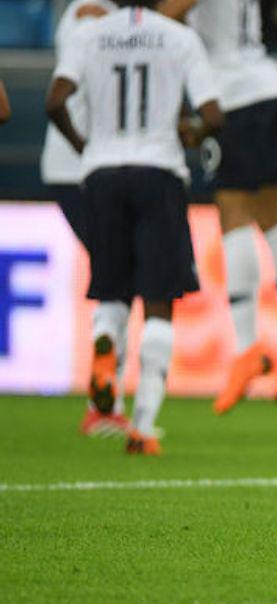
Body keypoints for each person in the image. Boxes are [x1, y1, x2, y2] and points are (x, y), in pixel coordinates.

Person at [46, 0, 223, 455]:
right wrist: (194, 133)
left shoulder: (90, 34)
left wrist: (84, 147)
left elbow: (56, 101)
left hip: (102, 173)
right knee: (159, 303)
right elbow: (213, 114)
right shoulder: (179, 37)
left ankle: (105, 345)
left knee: (112, 292)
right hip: (158, 172)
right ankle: (142, 426)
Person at [159, 0, 277, 415]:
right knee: (272, 217)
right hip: (268, 85)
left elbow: (167, 15)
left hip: (231, 95)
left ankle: (247, 348)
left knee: (234, 216)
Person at [41, 0, 131, 438]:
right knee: (118, 274)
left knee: (117, 272)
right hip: (84, 166)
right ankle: (105, 400)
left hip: (84, 166)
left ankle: (106, 389)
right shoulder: (90, 11)